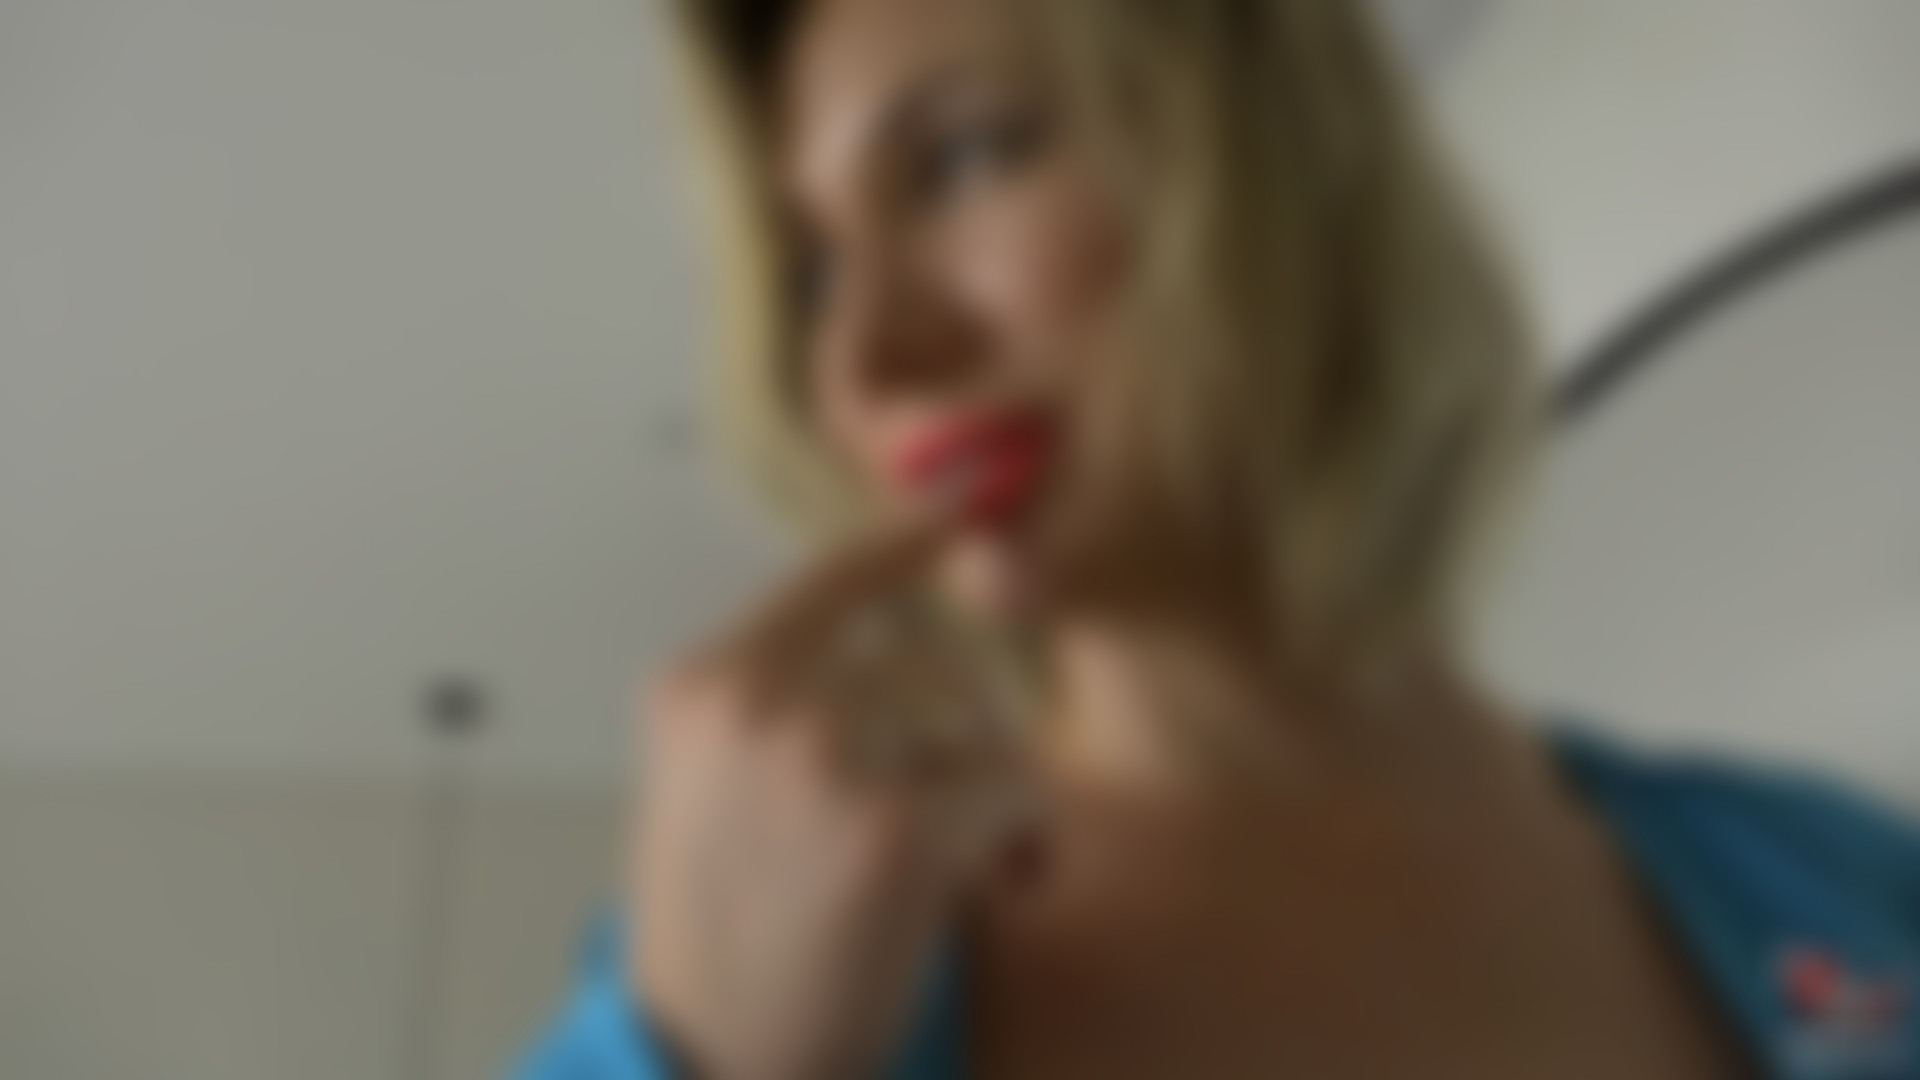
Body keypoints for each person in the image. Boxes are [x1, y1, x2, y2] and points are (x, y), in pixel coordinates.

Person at [518, 0, 1920, 1076]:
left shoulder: (1850, 879)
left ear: (1281, 158)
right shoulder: (778, 981)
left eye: (962, 158)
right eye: (813, 272)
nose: (873, 352)